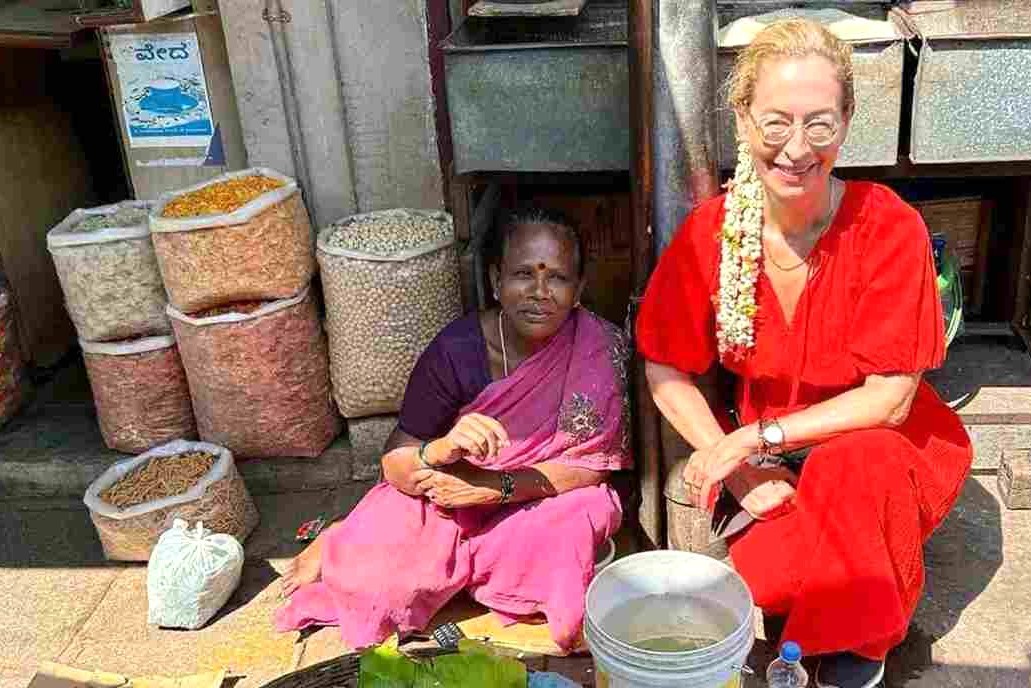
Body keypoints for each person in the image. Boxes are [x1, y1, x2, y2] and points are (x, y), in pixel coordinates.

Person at [636, 19, 971, 688]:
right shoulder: (715, 232)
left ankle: (855, 643)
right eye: (775, 124)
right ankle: (826, 609)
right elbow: (663, 364)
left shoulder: (887, 225)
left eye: (819, 125)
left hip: (884, 446)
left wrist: (751, 437)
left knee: (858, 465)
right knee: (768, 576)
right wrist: (734, 468)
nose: (795, 149)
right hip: (770, 460)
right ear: (742, 118)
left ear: (846, 121)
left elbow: (889, 398)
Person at [276, 205, 632, 652]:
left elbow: (593, 467)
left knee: (581, 516)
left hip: (533, 498)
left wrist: (495, 487)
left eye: (557, 278)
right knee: (379, 588)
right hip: (447, 501)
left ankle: (470, 572)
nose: (539, 292)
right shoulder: (457, 349)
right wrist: (440, 450)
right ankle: (343, 540)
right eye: (523, 274)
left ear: (578, 289)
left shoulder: (599, 347)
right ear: (496, 281)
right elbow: (397, 464)